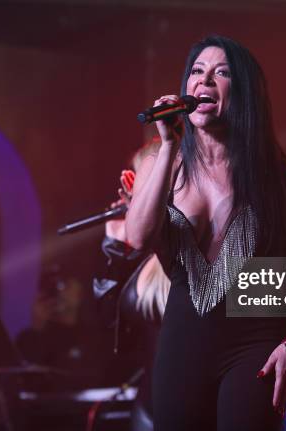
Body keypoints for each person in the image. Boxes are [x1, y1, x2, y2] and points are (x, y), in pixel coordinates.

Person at [125, 35, 286, 430]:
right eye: (197, 72)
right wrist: (167, 147)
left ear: (244, 91)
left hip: (257, 341)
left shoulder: (278, 175)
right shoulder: (160, 161)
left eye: (221, 73)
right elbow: (137, 239)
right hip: (184, 342)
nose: (204, 81)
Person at [93, 140, 170, 431]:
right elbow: (110, 327)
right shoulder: (140, 258)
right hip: (149, 412)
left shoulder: (203, 241)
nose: (130, 197)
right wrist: (115, 249)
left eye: (139, 187)